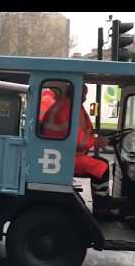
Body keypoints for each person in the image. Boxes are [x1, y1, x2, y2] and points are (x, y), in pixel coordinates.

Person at [42, 84, 118, 219]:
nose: (85, 97)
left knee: (101, 162)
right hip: (63, 157)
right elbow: (77, 139)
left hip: (64, 153)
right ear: (76, 92)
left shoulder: (70, 105)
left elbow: (81, 133)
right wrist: (96, 142)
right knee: (102, 167)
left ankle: (103, 201)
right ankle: (101, 210)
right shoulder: (67, 108)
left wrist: (97, 140)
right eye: (84, 94)